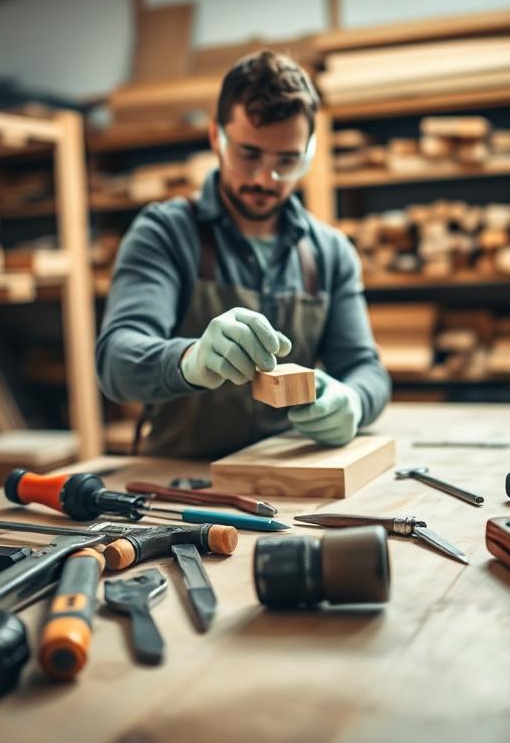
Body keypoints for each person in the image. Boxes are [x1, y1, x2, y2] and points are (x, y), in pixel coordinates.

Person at [96, 50, 390, 459]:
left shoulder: (330, 252)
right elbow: (115, 360)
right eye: (249, 154)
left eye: (286, 161)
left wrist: (354, 402)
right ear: (217, 136)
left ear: (308, 152)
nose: (264, 179)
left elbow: (368, 369)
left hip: (289, 479)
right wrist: (191, 359)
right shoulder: (165, 233)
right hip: (181, 483)